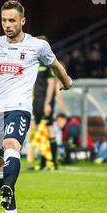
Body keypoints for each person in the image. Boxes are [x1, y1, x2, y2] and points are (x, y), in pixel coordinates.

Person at [0, 0, 72, 213]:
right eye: (4, 20)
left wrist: (66, 81)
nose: (7, 25)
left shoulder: (37, 46)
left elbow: (55, 65)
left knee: (11, 145)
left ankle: (8, 188)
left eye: (12, 20)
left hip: (19, 108)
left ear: (22, 21)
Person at [32, 35, 59, 170]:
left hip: (45, 101)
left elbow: (51, 83)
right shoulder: (35, 61)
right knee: (39, 130)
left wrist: (48, 103)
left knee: (48, 129)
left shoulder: (49, 61)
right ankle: (43, 163)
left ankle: (53, 162)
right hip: (36, 100)